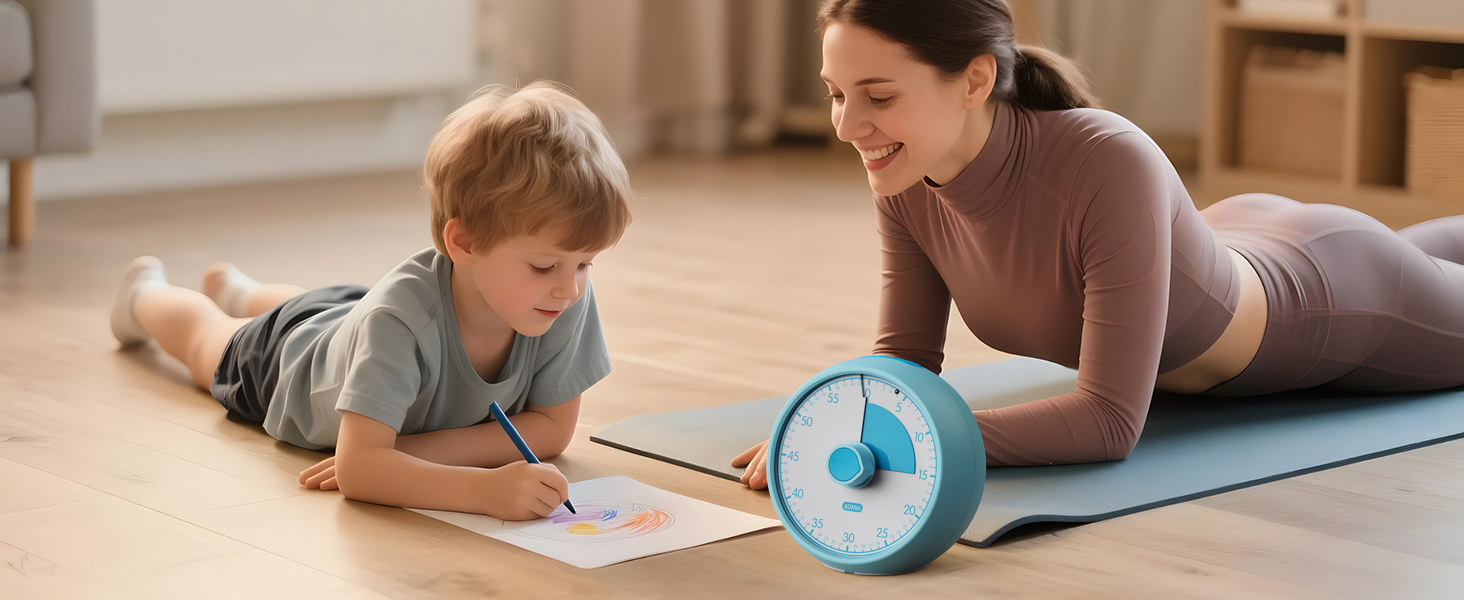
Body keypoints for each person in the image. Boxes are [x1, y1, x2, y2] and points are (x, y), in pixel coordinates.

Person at [734, 0, 1464, 486]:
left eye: (879, 96)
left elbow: (1109, 420)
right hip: (1245, 235)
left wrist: (916, 442)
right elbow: (906, 359)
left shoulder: (1106, 158)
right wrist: (834, 420)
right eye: (836, 93)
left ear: (974, 80)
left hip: (1337, 299)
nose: (845, 124)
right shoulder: (906, 168)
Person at [110, 82, 633, 519]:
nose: (572, 287)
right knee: (209, 340)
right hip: (290, 360)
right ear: (465, 244)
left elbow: (553, 429)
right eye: (545, 266)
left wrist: (403, 454)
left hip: (350, 315)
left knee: (331, 310)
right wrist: (483, 490)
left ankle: (240, 289)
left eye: (585, 263)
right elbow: (360, 472)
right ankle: (145, 296)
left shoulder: (558, 296)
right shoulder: (399, 320)